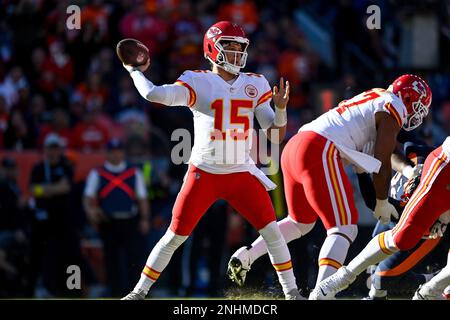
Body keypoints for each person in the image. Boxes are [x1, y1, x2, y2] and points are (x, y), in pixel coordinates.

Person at [121, 21, 301, 300]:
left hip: (241, 172)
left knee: (273, 233)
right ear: (211, 49)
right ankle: (138, 292)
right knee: (175, 236)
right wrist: (135, 71)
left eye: (240, 48)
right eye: (229, 47)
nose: (236, 54)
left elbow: (275, 135)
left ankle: (292, 294)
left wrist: (279, 111)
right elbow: (154, 94)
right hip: (204, 172)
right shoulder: (198, 80)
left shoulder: (256, 82)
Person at [227, 74, 432, 295]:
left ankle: (248, 254)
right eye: (419, 106)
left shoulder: (374, 101)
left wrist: (403, 175)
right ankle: (322, 293)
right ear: (409, 98)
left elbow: (380, 158)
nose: (418, 113)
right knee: (343, 228)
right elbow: (382, 159)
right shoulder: (394, 106)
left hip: (295, 146)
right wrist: (382, 201)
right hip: (318, 148)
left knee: (300, 222)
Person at [310, 136, 450, 300]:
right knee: (395, 251)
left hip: (423, 200)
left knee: (386, 268)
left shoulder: (418, 157)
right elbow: (374, 201)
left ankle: (430, 292)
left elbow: (401, 144)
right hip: (407, 214)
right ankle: (341, 279)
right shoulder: (414, 189)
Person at [83, 138, 150, 297]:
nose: (116, 155)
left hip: (129, 219)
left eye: (119, 151)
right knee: (111, 257)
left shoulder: (134, 172)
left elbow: (142, 197)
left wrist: (145, 218)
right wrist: (91, 212)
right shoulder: (97, 172)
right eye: (112, 151)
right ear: (107, 153)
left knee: (133, 257)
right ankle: (114, 291)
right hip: (108, 221)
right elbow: (87, 197)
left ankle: (136, 291)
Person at [28, 133, 77, 297]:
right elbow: (34, 190)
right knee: (42, 256)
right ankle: (43, 289)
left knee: (69, 256)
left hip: (64, 221)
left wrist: (45, 189)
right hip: (43, 222)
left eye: (56, 148)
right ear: (45, 150)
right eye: (50, 148)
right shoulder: (38, 168)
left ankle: (72, 290)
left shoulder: (66, 166)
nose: (53, 152)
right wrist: (52, 189)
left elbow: (66, 188)